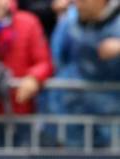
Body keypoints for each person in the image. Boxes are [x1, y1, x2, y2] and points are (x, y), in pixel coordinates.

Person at [47, 0, 120, 147]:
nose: (78, 4)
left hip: (112, 114)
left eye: (84, 1)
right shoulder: (69, 22)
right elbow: (55, 59)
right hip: (72, 110)